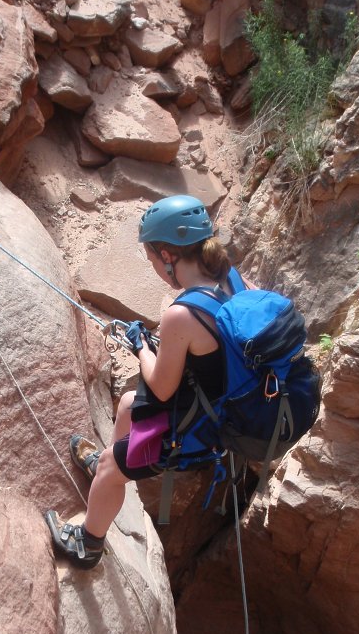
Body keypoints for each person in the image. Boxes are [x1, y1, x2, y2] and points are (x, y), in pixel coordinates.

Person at [45, 194, 246, 569]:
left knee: (111, 468)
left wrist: (140, 346)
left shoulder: (181, 314)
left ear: (167, 255)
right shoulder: (230, 278)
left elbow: (161, 387)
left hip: (196, 429)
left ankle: (88, 544)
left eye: (151, 258)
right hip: (219, 404)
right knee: (126, 404)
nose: (153, 266)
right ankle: (108, 469)